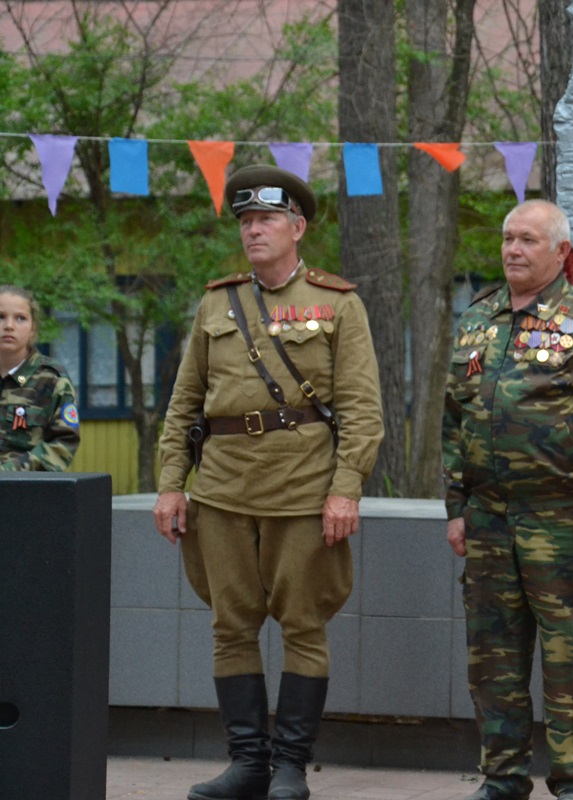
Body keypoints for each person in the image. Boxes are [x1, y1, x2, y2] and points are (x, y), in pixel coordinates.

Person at [153, 165, 384, 800]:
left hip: (303, 492)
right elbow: (184, 403)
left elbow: (362, 410)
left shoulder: (338, 303)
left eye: (267, 220)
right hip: (221, 492)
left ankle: (290, 768)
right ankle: (248, 763)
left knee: (302, 625)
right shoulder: (216, 302)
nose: (253, 230)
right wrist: (171, 483)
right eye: (246, 221)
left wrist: (346, 489)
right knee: (230, 626)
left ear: (297, 228)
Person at [442, 200, 573, 800]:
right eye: (508, 238)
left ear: (560, 253)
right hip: (488, 521)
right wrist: (456, 507)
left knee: (571, 658)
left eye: (528, 240)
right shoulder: (478, 320)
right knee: (493, 661)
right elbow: (454, 420)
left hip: (561, 521)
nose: (512, 249)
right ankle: (502, 776)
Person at [0, 285, 80, 471]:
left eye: (20, 318)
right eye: (0, 317)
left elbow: (63, 443)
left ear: (33, 329)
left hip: (28, 485)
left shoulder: (52, 380)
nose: (9, 326)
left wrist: (9, 472)